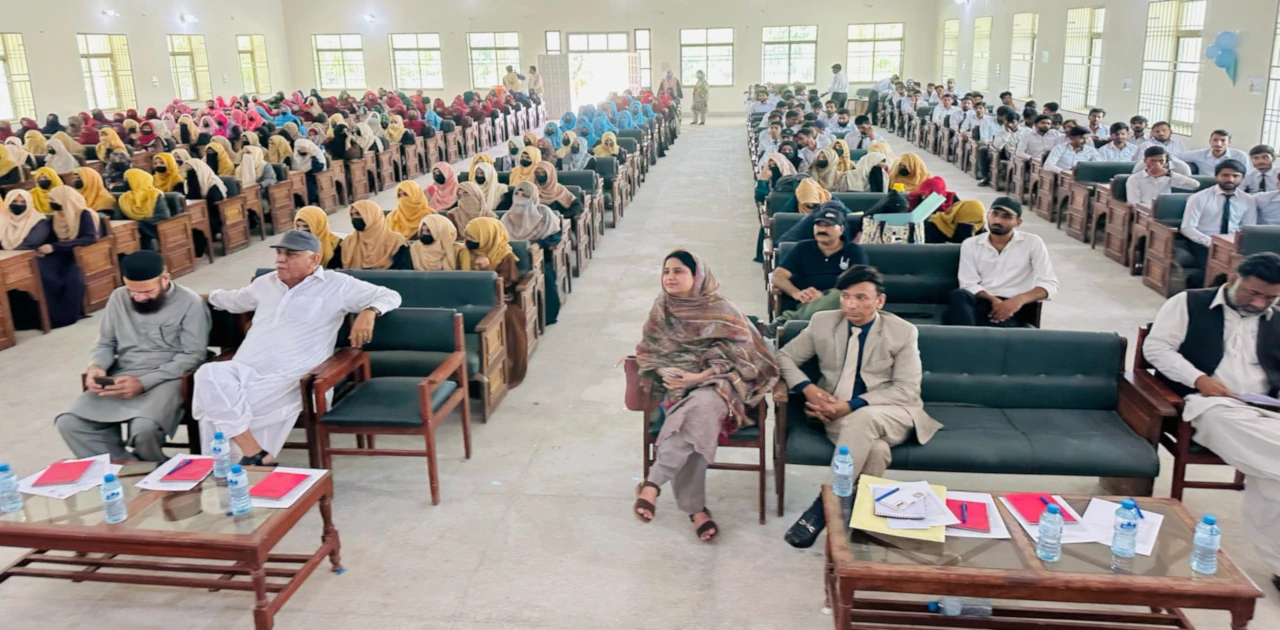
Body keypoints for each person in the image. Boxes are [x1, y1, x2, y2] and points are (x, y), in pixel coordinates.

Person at [194, 231, 402, 465]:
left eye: (291, 255)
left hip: (291, 376)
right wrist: (187, 295)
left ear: (314, 259)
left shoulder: (337, 285)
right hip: (244, 369)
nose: (280, 260)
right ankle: (254, 454)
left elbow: (390, 295)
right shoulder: (266, 283)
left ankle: (230, 468)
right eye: (279, 253)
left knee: (217, 406)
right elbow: (229, 300)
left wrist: (369, 312)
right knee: (207, 375)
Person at [1141, 253, 1280, 594]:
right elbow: (1157, 348)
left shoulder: (1276, 317)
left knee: (1272, 474)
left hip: (1268, 408)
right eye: (1253, 293)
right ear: (1234, 277)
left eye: (1270, 297)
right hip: (1211, 405)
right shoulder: (1188, 303)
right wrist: (1198, 378)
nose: (1259, 302)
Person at [779, 265, 942, 548]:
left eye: (861, 298)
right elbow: (783, 357)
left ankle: (823, 506)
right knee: (876, 450)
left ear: (880, 301)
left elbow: (906, 390)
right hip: (835, 415)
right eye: (845, 296)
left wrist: (852, 405)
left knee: (863, 418)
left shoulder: (902, 332)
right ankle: (855, 531)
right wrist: (809, 389)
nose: (850, 304)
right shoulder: (822, 322)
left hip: (895, 412)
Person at [633, 250, 778, 542]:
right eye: (666, 271)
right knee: (698, 422)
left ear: (697, 275)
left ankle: (653, 482)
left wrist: (700, 377)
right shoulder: (662, 308)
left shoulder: (722, 309)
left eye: (678, 271)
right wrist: (664, 372)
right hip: (673, 392)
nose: (670, 277)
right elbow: (648, 351)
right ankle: (695, 509)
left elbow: (748, 356)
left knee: (701, 407)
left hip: (720, 386)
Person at [55, 251, 210, 461]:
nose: (137, 297)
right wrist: (97, 367)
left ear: (165, 279)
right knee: (70, 423)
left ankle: (153, 468)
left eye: (146, 292)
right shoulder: (119, 297)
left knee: (144, 429)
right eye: (132, 291)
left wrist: (143, 383)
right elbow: (106, 342)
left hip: (167, 377)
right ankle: (128, 467)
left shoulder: (190, 302)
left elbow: (193, 355)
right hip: (122, 373)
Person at [945, 197, 1059, 327]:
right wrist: (994, 300)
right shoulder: (971, 244)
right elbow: (968, 283)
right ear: (988, 215)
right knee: (959, 295)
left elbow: (1049, 283)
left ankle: (969, 336)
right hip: (981, 300)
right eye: (994, 214)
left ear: (1018, 222)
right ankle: (967, 335)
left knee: (986, 325)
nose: (998, 220)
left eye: (1007, 217)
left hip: (1014, 307)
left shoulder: (1032, 243)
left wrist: (1017, 301)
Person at [459, 217, 529, 386]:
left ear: (486, 237)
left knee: (511, 319)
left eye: (474, 237)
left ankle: (508, 372)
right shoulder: (464, 253)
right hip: (469, 298)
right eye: (467, 236)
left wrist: (487, 268)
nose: (469, 241)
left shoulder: (503, 254)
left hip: (500, 301)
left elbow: (507, 286)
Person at [1180, 160, 1258, 286]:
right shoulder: (1199, 197)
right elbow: (1187, 227)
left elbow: (1248, 227)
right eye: (1225, 175)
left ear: (1242, 178)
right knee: (1211, 269)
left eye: (1235, 176)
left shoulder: (1248, 200)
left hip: (1233, 244)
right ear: (1217, 176)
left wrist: (1236, 244)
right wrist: (1210, 242)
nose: (1230, 180)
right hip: (1204, 242)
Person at [772, 206, 869, 306]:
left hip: (841, 304)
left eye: (828, 225)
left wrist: (824, 297)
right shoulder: (803, 248)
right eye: (818, 225)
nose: (822, 229)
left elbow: (861, 282)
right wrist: (797, 293)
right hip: (806, 303)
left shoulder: (854, 251)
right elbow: (778, 276)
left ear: (841, 229)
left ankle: (789, 318)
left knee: (836, 296)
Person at [502, 181, 565, 325]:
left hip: (540, 258)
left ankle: (547, 317)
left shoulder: (544, 212)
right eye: (517, 193)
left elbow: (555, 236)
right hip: (514, 259)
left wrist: (539, 244)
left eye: (525, 194)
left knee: (547, 280)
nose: (520, 197)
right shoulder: (507, 217)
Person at [332, 200, 411, 270]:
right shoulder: (348, 242)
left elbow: (403, 271)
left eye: (358, 214)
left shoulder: (395, 241)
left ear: (373, 216)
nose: (354, 218)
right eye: (352, 215)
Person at [1128, 146, 1201, 206]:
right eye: (1153, 160)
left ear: (1166, 162)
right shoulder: (1134, 179)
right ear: (1145, 160)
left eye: (1161, 161)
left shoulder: (1168, 177)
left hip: (1165, 210)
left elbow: (1195, 185)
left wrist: (1170, 174)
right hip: (1143, 213)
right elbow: (1133, 203)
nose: (1157, 164)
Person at [1180, 129, 1249, 176]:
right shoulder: (1199, 154)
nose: (1218, 144)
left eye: (1223, 141)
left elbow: (1247, 175)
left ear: (1229, 142)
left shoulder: (1240, 156)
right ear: (1210, 141)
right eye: (1215, 140)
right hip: (1206, 186)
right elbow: (1174, 155)